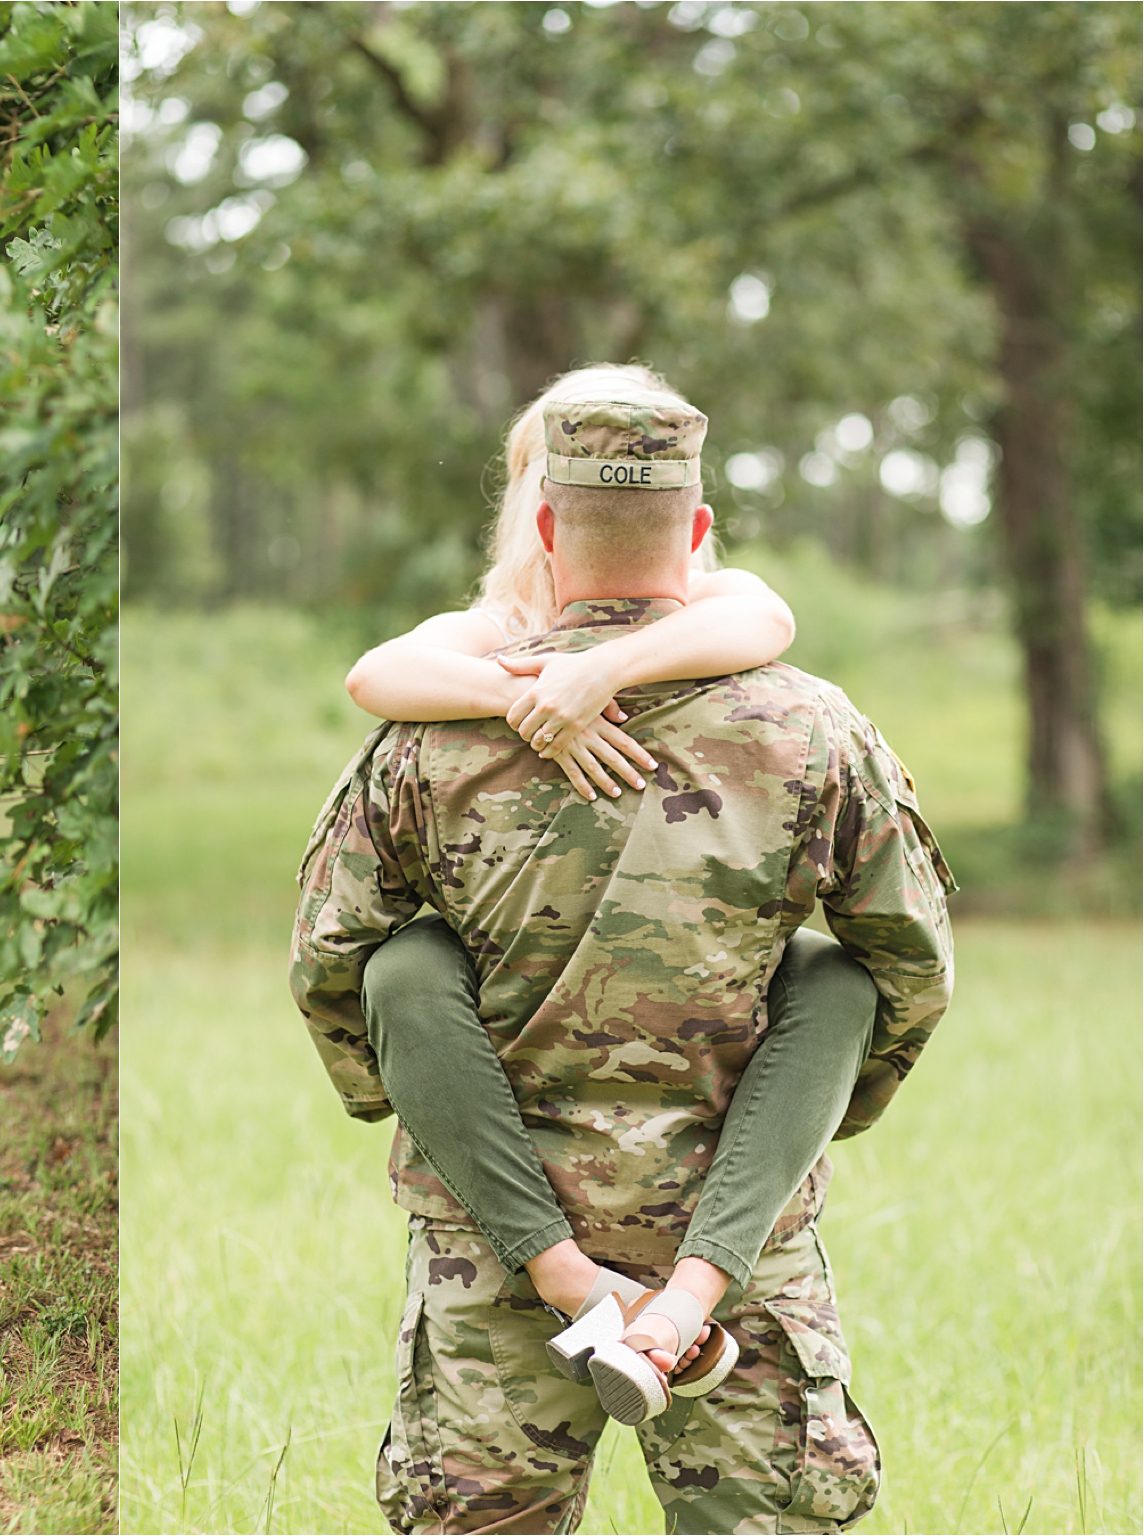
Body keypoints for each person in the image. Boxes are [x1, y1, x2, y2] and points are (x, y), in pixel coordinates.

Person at [290, 378, 955, 1532]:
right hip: (734, 1239)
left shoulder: (429, 741)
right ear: (695, 534)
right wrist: (817, 1119)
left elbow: (332, 968)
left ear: (543, 529)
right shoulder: (811, 729)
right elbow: (905, 967)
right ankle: (682, 1295)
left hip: (495, 1245)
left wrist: (403, 1108)